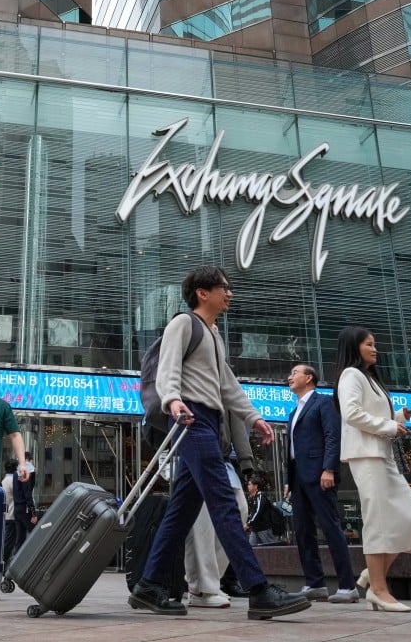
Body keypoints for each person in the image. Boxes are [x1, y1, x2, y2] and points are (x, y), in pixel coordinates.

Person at [128, 265, 310, 620]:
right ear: (202, 292)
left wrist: (253, 417)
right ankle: (258, 590)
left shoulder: (214, 335)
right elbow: (167, 369)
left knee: (180, 513)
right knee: (225, 503)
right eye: (224, 288)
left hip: (210, 421)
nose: (230, 293)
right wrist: (172, 400)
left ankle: (148, 586)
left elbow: (228, 386)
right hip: (190, 419)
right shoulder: (184, 324)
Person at [333, 326, 411, 613]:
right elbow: (351, 414)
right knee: (378, 521)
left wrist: (399, 416)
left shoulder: (370, 378)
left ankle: (370, 577)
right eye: (369, 344)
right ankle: (379, 589)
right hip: (366, 456)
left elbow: (371, 414)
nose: (375, 349)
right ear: (355, 346)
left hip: (382, 455)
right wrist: (390, 426)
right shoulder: (351, 375)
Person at [286, 363, 359, 603]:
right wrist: (289, 480)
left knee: (330, 527)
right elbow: (292, 449)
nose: (290, 377)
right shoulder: (293, 411)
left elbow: (332, 436)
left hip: (319, 474)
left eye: (294, 373)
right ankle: (314, 583)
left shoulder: (323, 403)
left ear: (309, 378)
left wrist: (329, 468)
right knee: (303, 530)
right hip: (298, 477)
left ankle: (348, 586)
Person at [182, 411, 254, 609]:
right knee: (202, 525)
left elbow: (238, 417)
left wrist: (246, 459)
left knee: (239, 511)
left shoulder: (223, 382)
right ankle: (200, 588)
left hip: (222, 458)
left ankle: (212, 580)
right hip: (193, 451)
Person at [12, 454, 37, 550]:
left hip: (17, 508)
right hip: (25, 509)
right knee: (35, 535)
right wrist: (33, 513)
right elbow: (28, 494)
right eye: (31, 462)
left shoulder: (16, 473)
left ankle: (15, 561)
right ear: (29, 461)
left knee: (20, 539)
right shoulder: (25, 472)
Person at [245, 476, 280, 545]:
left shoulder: (260, 496)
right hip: (255, 529)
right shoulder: (253, 497)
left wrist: (249, 523)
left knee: (270, 549)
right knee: (252, 549)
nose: (248, 486)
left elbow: (258, 512)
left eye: (249, 484)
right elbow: (253, 513)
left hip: (264, 528)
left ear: (255, 486)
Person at [1, 459, 18, 565]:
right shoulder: (13, 481)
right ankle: (4, 563)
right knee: (9, 543)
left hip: (7, 515)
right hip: (12, 516)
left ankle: (4, 563)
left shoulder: (4, 480)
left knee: (8, 541)